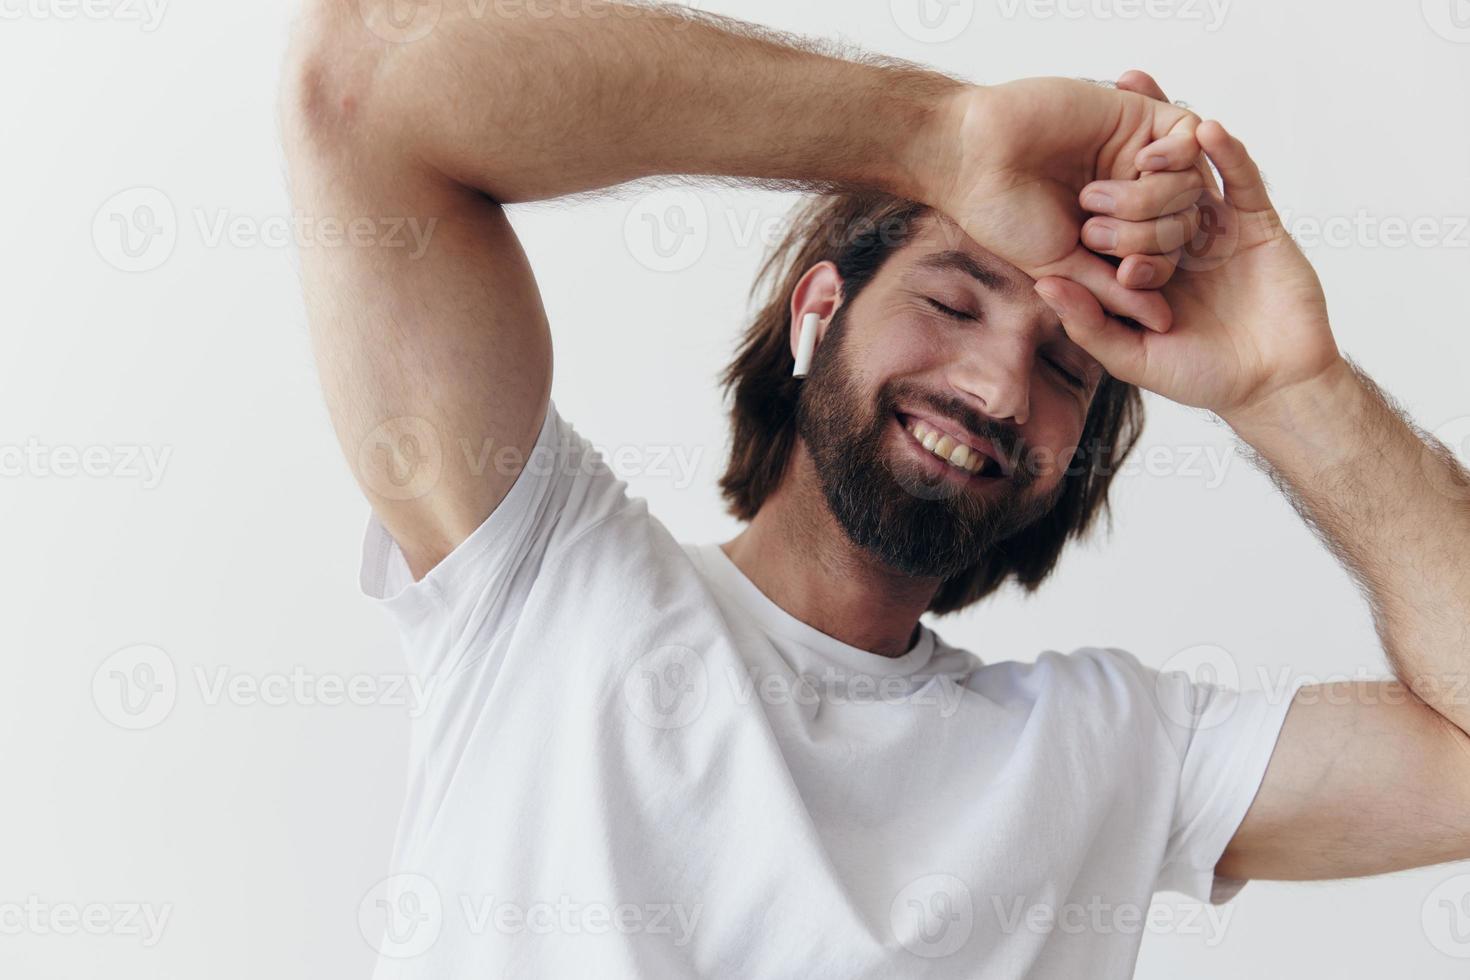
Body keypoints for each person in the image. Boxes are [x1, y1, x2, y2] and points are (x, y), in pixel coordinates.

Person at [280, 3, 1470, 977]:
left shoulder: (1107, 751)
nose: (1000, 385)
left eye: (1067, 367)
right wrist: (938, 137)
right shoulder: (538, 581)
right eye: (952, 301)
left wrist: (1287, 382)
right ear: (817, 312)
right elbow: (364, 79)